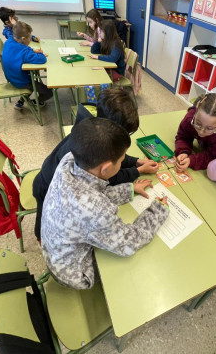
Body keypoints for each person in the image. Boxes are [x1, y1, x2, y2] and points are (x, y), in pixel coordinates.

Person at [41, 118, 170, 290]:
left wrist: (129, 189)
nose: (123, 161)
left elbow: (91, 192)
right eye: (121, 160)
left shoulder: (70, 160)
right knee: (135, 269)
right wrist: (157, 212)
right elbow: (128, 244)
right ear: (106, 168)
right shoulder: (96, 212)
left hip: (53, 248)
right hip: (72, 273)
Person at [32, 88, 159, 241]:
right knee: (44, 225)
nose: (122, 157)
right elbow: (127, 241)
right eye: (121, 158)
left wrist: (135, 164)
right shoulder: (95, 208)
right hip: (45, 187)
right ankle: (41, 238)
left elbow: (110, 162)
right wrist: (137, 171)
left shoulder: (90, 134)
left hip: (51, 177)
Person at [1, 21, 52, 110]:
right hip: (21, 82)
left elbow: (7, 31)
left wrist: (32, 50)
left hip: (10, 77)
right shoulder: (24, 52)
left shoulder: (9, 40)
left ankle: (21, 100)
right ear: (24, 38)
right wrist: (41, 53)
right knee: (49, 93)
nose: (30, 39)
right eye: (29, 38)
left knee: (32, 80)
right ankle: (35, 102)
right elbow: (42, 59)